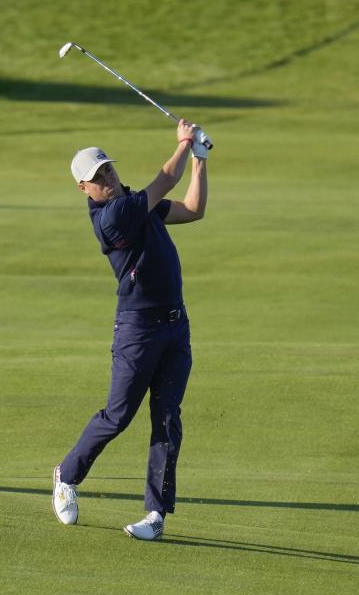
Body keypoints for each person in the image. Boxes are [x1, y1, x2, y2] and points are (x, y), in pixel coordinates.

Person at [53, 118, 210, 540]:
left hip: (176, 327)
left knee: (167, 419)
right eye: (96, 178)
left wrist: (200, 161)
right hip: (138, 330)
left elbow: (193, 210)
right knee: (119, 415)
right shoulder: (113, 216)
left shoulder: (136, 202)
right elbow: (164, 179)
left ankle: (155, 517)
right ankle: (67, 476)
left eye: (107, 169)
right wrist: (182, 144)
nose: (107, 178)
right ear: (83, 189)